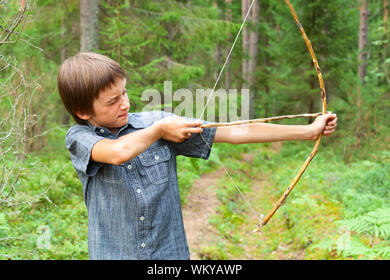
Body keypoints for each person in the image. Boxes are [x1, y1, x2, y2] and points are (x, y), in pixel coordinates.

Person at [57, 52, 337, 260]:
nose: (125, 103)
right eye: (112, 101)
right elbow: (118, 152)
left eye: (125, 93)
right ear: (83, 112)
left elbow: (234, 132)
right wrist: (159, 130)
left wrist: (307, 131)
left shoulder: (158, 123)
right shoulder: (80, 138)